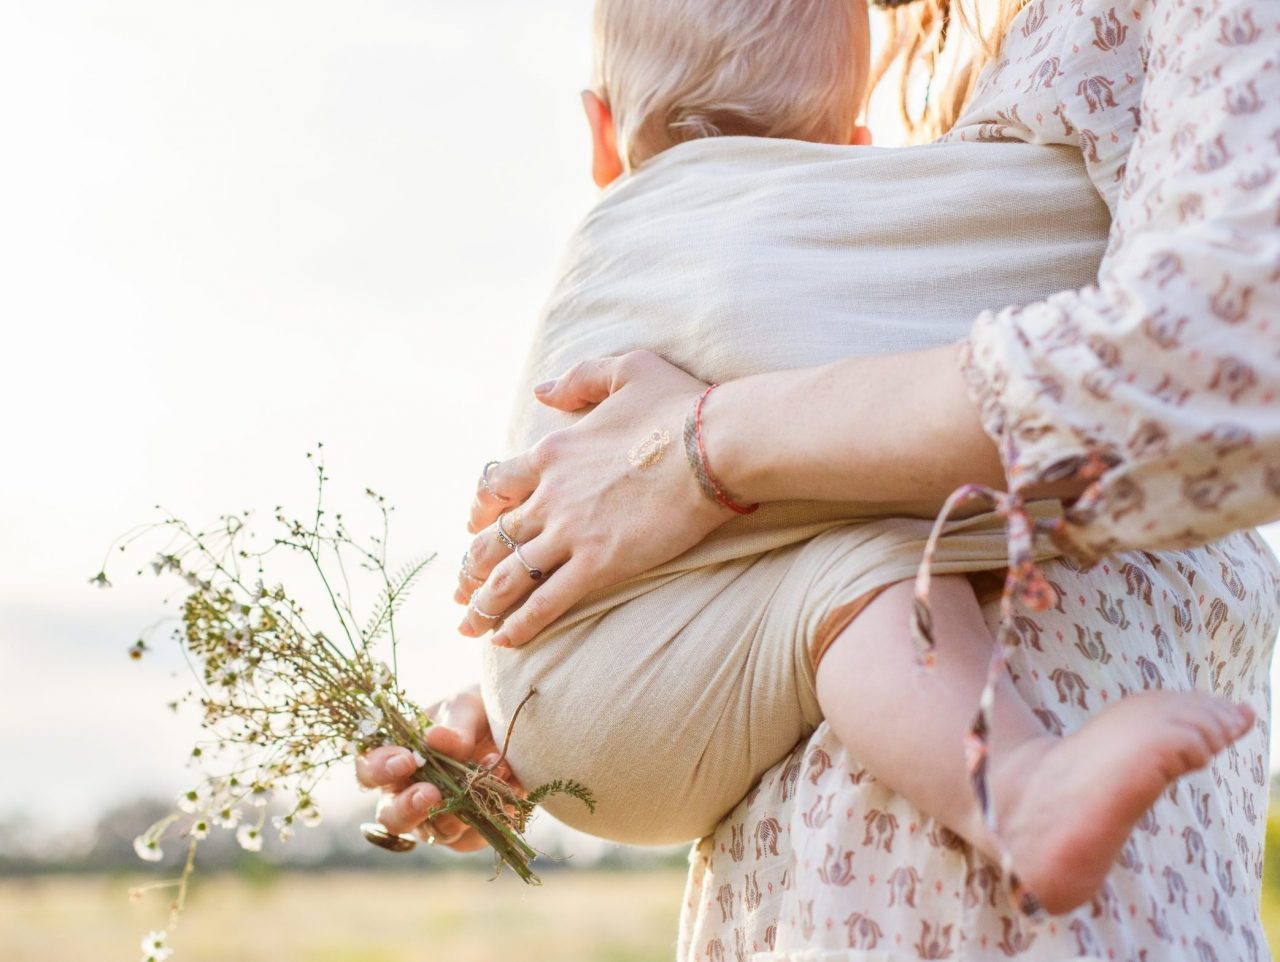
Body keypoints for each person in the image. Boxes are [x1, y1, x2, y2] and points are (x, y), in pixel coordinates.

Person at [364, 0, 1280, 956]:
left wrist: (694, 462)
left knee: (866, 550)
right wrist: (577, 663)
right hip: (789, 892)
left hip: (1003, 924)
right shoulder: (916, 95)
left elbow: (1222, 343)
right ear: (850, 143)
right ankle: (1020, 788)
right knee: (867, 557)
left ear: (599, 131)